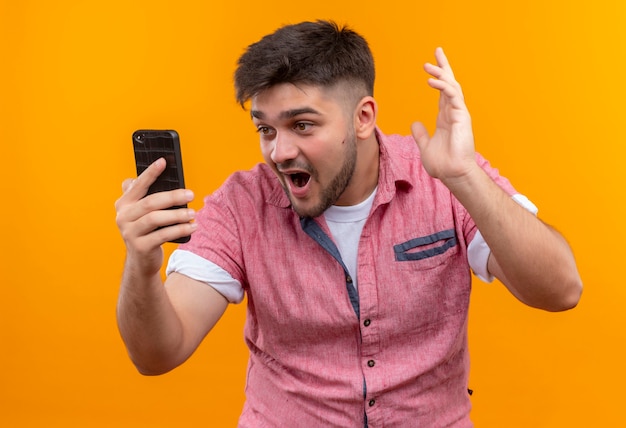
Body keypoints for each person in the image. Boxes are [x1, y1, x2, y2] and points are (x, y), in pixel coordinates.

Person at [115, 20, 582, 427]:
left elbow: (560, 290)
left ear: (363, 117)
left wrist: (464, 178)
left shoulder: (443, 176)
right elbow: (158, 354)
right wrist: (140, 263)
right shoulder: (241, 204)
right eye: (265, 129)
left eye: (302, 125)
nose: (279, 152)